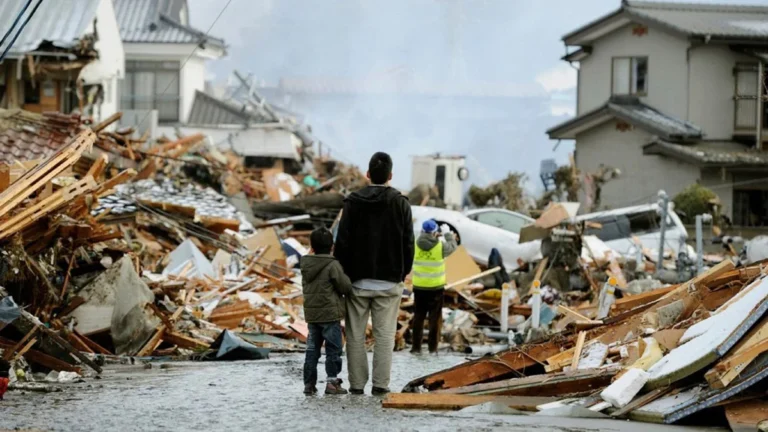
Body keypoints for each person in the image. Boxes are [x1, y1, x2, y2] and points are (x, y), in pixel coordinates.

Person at [335, 152, 414, 395]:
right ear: (390, 176)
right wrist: (402, 272)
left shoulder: (352, 202)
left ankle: (356, 385)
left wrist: (344, 275)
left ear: (368, 175)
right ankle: (381, 385)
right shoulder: (401, 203)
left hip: (357, 282)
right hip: (389, 282)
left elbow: (342, 243)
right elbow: (408, 242)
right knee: (385, 336)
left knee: (356, 336)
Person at [301, 228, 353, 396]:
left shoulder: (306, 264)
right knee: (333, 349)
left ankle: (309, 384)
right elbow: (345, 286)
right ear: (332, 247)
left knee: (312, 349)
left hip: (312, 315)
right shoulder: (333, 265)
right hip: (330, 315)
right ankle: (332, 383)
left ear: (312, 247)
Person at [410, 220, 457, 354]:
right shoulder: (440, 246)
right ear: (434, 232)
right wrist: (447, 234)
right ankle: (432, 348)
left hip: (419, 287)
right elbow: (453, 247)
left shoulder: (415, 244)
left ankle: (416, 348)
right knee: (434, 319)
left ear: (422, 231)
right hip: (436, 288)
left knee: (418, 317)